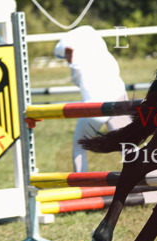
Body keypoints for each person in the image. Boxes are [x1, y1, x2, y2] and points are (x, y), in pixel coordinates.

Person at [53, 26, 130, 171]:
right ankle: (151, 179)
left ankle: (82, 183)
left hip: (95, 105)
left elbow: (58, 51)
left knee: (79, 146)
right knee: (129, 146)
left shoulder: (77, 59)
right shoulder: (103, 53)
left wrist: (69, 54)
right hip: (118, 98)